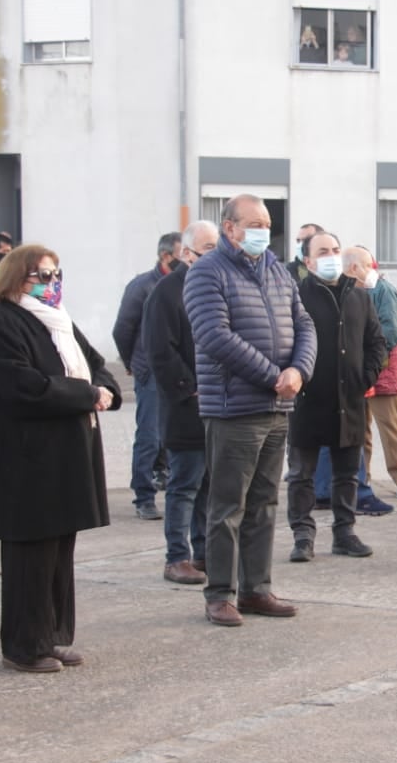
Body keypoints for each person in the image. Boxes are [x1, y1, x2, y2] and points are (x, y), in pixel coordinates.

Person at [0, 244, 122, 672]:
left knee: (59, 551)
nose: (51, 284)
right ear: (17, 277)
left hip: (67, 453)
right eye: (42, 276)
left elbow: (96, 364)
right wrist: (87, 394)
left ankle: (53, 636)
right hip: (27, 459)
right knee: (30, 554)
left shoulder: (58, 321)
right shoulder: (2, 323)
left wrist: (103, 390)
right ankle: (24, 646)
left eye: (56, 275)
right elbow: (24, 385)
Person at [184, 194, 317, 626]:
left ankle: (256, 589)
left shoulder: (276, 270)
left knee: (264, 502)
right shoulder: (207, 272)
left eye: (266, 223)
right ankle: (219, 593)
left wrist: (298, 370)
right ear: (230, 228)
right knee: (227, 506)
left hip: (278, 405)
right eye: (254, 223)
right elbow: (214, 336)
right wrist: (273, 375)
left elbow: (304, 324)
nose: (264, 230)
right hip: (234, 408)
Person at [285, 241, 387, 562]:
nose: (331, 257)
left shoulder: (358, 295)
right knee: (302, 474)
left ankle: (345, 532)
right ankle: (303, 535)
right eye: (323, 252)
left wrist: (364, 378)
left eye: (334, 250)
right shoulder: (296, 296)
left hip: (350, 401)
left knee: (347, 474)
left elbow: (377, 343)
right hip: (308, 399)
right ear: (308, 261)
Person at [143, 220, 219, 585]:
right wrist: (190, 387)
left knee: (208, 484)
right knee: (185, 483)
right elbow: (160, 349)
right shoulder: (167, 292)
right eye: (207, 248)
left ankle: (203, 552)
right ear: (186, 253)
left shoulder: (216, 286)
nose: (216, 254)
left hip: (218, 405)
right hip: (187, 404)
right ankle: (177, 556)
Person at [113, 232, 181, 520]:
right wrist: (133, 364)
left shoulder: (189, 283)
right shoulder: (143, 286)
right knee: (150, 436)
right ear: (166, 257)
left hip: (180, 369)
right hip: (151, 371)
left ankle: (170, 483)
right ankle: (144, 495)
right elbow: (123, 329)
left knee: (175, 435)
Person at [358, 247, 397, 499]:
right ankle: (362, 477)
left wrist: (368, 354)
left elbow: (391, 332)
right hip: (359, 370)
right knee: (360, 429)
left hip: (383, 369)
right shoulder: (352, 290)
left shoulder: (383, 290)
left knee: (388, 426)